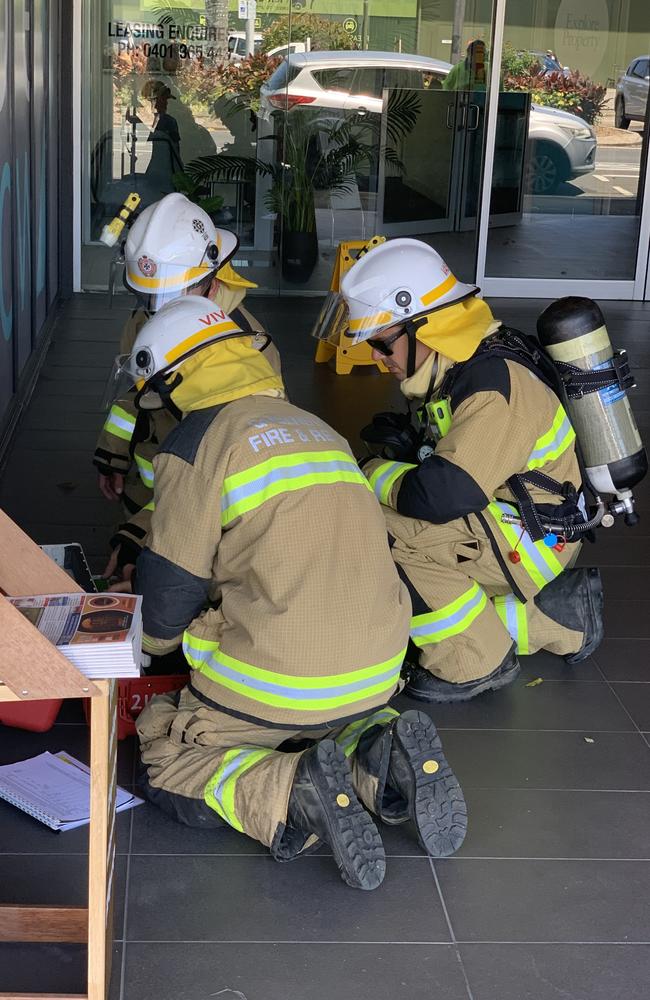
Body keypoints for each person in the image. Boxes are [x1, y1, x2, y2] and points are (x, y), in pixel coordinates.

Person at [110, 294, 467, 889]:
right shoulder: (317, 428)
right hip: (377, 672)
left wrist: (136, 625)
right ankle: (378, 758)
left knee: (167, 753)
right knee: (320, 722)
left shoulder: (196, 441)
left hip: (278, 681)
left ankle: (292, 789)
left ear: (176, 382)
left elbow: (168, 607)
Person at [336, 238, 603, 703]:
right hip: (513, 521)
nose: (378, 359)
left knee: (374, 528)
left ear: (425, 327)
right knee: (378, 517)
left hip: (533, 539)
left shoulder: (491, 385)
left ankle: (474, 661)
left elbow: (443, 495)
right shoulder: (457, 363)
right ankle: (560, 618)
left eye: (381, 343)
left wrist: (371, 470)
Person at [94, 192, 281, 582]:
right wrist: (113, 454)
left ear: (211, 283)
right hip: (145, 493)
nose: (159, 311)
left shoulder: (249, 349)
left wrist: (142, 536)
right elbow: (133, 396)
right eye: (150, 296)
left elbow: (217, 479)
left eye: (172, 296)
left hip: (197, 522)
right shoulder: (142, 320)